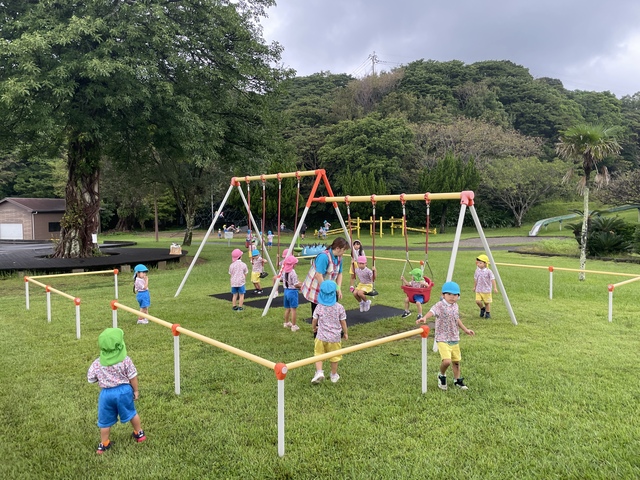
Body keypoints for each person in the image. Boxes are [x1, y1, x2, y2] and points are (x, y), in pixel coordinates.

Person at [87, 328, 146, 454]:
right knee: (131, 413)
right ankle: (139, 433)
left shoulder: (97, 363)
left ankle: (103, 444)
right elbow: (133, 377)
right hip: (124, 391)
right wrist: (136, 391)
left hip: (106, 395)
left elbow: (91, 379)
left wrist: (102, 378)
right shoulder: (126, 360)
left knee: (104, 421)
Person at [416, 281, 475, 390]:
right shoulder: (440, 305)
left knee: (456, 361)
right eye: (449, 294)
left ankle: (457, 380)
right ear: (443, 295)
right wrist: (424, 318)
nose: (452, 297)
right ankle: (441, 375)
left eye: (455, 295)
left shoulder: (455, 306)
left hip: (454, 337)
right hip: (442, 338)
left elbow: (457, 319)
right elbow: (432, 311)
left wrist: (466, 330)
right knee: (447, 361)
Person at [301, 237, 349, 316]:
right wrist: (326, 291)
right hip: (317, 286)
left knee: (330, 311)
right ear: (337, 248)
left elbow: (339, 274)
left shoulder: (339, 258)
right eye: (344, 250)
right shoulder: (324, 257)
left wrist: (338, 288)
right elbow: (318, 275)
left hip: (328, 286)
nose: (344, 252)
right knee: (318, 312)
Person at [311, 281, 348, 384]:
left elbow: (314, 320)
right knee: (334, 357)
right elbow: (343, 322)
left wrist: (314, 328)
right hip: (334, 338)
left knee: (318, 354)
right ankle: (333, 375)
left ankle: (319, 372)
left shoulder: (319, 307)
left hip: (321, 337)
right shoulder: (339, 307)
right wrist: (345, 333)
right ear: (335, 293)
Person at [282, 255, 302, 332]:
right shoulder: (293, 272)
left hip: (286, 291)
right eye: (295, 263)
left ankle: (286, 322)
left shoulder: (284, 271)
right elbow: (295, 284)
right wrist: (302, 285)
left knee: (287, 308)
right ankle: (294, 326)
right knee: (293, 309)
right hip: (292, 292)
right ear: (293, 264)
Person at [474, 254, 498, 319]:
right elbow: (475, 279)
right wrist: (474, 287)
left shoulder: (488, 271)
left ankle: (487, 313)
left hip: (486, 290)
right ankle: (482, 308)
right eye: (478, 263)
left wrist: (495, 288)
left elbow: (492, 279)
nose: (478, 264)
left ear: (485, 263)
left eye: (480, 263)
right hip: (479, 289)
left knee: (487, 302)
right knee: (477, 301)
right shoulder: (477, 271)